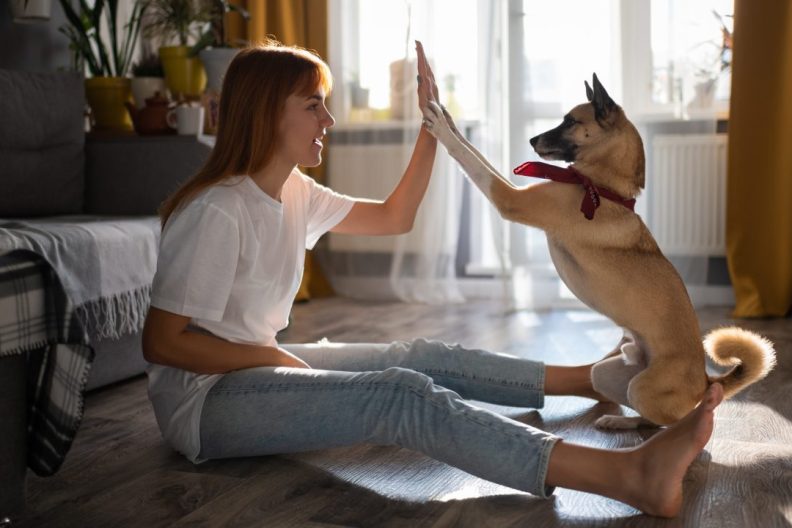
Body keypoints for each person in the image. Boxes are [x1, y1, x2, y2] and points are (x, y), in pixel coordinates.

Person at [142, 39, 723, 519]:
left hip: (258, 361)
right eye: (313, 105)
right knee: (399, 393)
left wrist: (432, 127)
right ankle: (626, 474)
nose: (330, 119)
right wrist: (281, 365)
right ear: (268, 112)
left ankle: (587, 381)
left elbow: (395, 217)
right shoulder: (218, 209)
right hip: (206, 403)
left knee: (420, 354)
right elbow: (165, 344)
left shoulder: (295, 191)